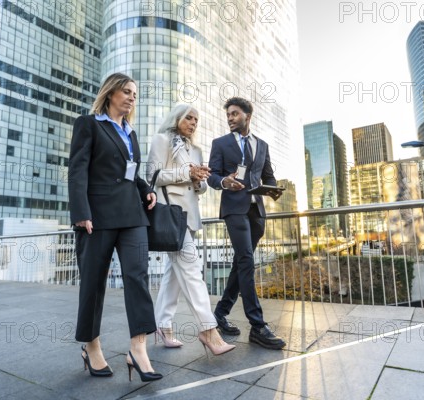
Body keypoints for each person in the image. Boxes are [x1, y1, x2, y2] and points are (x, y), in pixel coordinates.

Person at [68, 72, 163, 382]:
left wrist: (144, 190)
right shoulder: (89, 124)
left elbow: (131, 172)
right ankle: (91, 345)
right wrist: (81, 212)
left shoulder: (131, 133)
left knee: (138, 276)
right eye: (126, 91)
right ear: (110, 93)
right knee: (93, 283)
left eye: (135, 93)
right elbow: (78, 170)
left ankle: (138, 348)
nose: (132, 97)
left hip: (133, 215)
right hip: (97, 217)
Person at [147, 104, 235, 356]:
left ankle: (163, 325)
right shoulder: (162, 140)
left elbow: (202, 187)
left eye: (196, 119)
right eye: (189, 117)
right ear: (177, 118)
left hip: (190, 216)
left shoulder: (195, 150)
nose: (193, 123)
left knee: (172, 277)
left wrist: (198, 181)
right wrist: (186, 172)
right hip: (170, 214)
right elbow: (152, 175)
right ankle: (208, 329)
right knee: (192, 268)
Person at [207, 97, 286, 350]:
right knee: (247, 261)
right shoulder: (220, 144)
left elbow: (269, 176)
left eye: (234, 114)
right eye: (228, 114)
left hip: (256, 211)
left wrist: (274, 190)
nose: (230, 118)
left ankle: (219, 313)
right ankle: (258, 326)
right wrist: (224, 182)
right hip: (234, 209)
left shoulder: (261, 145)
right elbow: (212, 176)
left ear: (247, 116)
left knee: (242, 261)